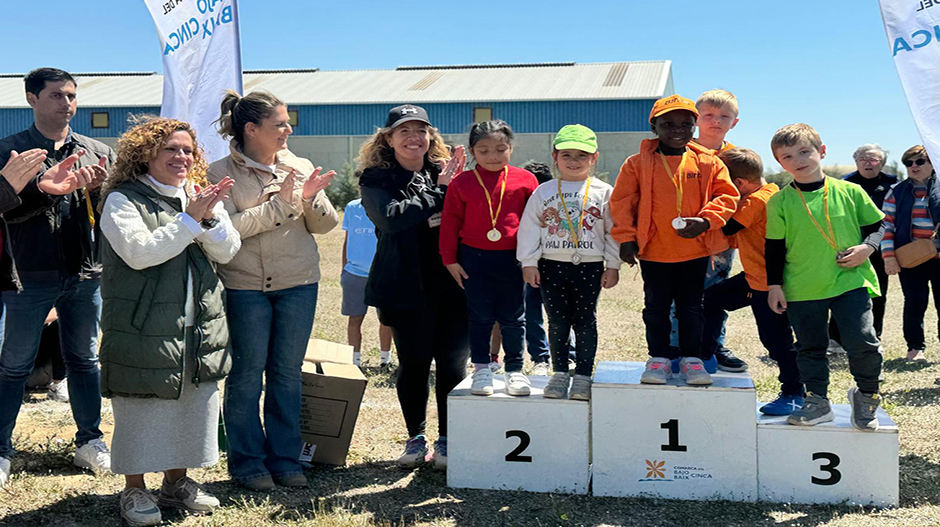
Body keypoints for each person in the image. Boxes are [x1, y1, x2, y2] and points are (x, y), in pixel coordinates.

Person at [98, 117, 240, 526]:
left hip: (199, 321)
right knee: (142, 404)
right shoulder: (122, 200)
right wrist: (190, 220)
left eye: (188, 150)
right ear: (145, 154)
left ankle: (176, 482)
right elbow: (139, 253)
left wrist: (207, 218)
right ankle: (134, 488)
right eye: (170, 149)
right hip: (144, 323)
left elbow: (228, 250)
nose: (182, 157)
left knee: (191, 404)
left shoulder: (198, 194)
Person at [208, 90, 338, 491]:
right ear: (251, 129)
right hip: (244, 286)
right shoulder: (218, 173)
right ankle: (247, 464)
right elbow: (228, 232)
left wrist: (312, 198)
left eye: (287, 122)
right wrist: (281, 206)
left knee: (286, 375)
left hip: (298, 284)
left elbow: (325, 226)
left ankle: (285, 460)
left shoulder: (297, 165)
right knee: (246, 376)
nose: (288, 129)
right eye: (279, 123)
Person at [0, 68, 114, 489]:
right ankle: (1, 449)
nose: (66, 103)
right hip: (27, 277)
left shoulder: (96, 151)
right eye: (55, 96)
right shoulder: (9, 153)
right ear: (31, 99)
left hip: (84, 276)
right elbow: (4, 210)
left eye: (71, 95)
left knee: (85, 360)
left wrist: (99, 192)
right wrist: (39, 190)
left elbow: (112, 216)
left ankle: (90, 440)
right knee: (13, 366)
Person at [357, 104, 468, 469]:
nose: (413, 137)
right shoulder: (375, 178)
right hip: (403, 286)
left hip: (452, 286)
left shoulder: (445, 172)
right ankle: (415, 438)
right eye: (404, 131)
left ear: (430, 137)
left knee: (452, 366)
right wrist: (440, 192)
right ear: (388, 139)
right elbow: (392, 220)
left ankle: (449, 440)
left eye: (420, 130)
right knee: (415, 364)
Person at [610, 95, 739, 386]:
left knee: (692, 307)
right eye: (668, 124)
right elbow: (622, 202)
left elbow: (727, 196)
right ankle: (658, 358)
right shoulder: (636, 164)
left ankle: (692, 359)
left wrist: (706, 221)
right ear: (654, 126)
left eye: (685, 124)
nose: (677, 130)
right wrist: (626, 238)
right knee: (655, 308)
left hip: (694, 251)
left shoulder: (708, 162)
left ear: (694, 126)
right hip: (654, 252)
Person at [766, 123, 884, 430]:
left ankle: (868, 394)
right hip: (802, 287)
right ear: (780, 163)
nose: (798, 160)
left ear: (822, 151)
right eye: (788, 156)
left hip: (850, 281)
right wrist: (774, 285)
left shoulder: (851, 191)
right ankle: (817, 401)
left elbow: (878, 226)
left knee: (863, 341)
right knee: (809, 347)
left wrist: (867, 248)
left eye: (805, 151)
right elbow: (774, 248)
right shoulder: (779, 201)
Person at [517, 124, 621, 400]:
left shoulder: (604, 191)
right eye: (567, 155)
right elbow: (528, 228)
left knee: (586, 320)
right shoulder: (544, 191)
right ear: (555, 157)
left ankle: (584, 376)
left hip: (590, 265)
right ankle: (560, 373)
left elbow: (613, 230)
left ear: (594, 158)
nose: (574, 161)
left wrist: (613, 264)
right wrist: (529, 261)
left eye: (581, 155)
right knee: (557, 321)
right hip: (552, 265)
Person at [440, 120, 538, 397]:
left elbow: (534, 222)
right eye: (483, 151)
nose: (493, 156)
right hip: (473, 259)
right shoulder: (462, 182)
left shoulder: (525, 179)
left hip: (513, 258)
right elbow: (450, 222)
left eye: (500, 149)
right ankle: (482, 368)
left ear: (511, 148)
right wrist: (450, 260)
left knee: (513, 317)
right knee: (480, 316)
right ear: (472, 151)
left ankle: (515, 370)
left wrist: (533, 258)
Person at [702, 148, 803, 415]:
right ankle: (707, 354)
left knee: (776, 340)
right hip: (754, 278)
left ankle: (795, 393)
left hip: (769, 284)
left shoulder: (756, 201)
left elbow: (726, 228)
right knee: (712, 298)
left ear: (738, 185)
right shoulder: (768, 192)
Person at [686, 89, 747, 372]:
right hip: (682, 239)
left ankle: (714, 345)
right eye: (708, 115)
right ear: (696, 118)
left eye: (724, 116)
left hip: (721, 239)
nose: (716, 121)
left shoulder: (737, 158)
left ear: (734, 122)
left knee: (716, 295)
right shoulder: (680, 150)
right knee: (682, 296)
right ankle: (679, 347)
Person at [829, 144, 898, 352]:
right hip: (849, 245)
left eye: (874, 159)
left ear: (882, 163)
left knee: (878, 293)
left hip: (880, 247)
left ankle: (875, 336)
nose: (868, 163)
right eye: (863, 159)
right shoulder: (844, 184)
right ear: (856, 161)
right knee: (842, 291)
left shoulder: (893, 184)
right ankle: (835, 338)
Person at [881, 145, 939, 363]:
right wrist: (889, 256)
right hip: (911, 257)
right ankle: (915, 349)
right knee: (915, 303)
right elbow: (886, 226)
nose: (914, 167)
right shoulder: (897, 191)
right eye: (909, 163)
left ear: (932, 163)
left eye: (919, 162)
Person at [342, 196, 393, 367]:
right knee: (355, 319)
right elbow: (347, 240)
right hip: (354, 273)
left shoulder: (387, 205)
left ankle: (385, 360)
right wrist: (344, 269)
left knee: (386, 319)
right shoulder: (352, 207)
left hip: (382, 273)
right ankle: (354, 361)